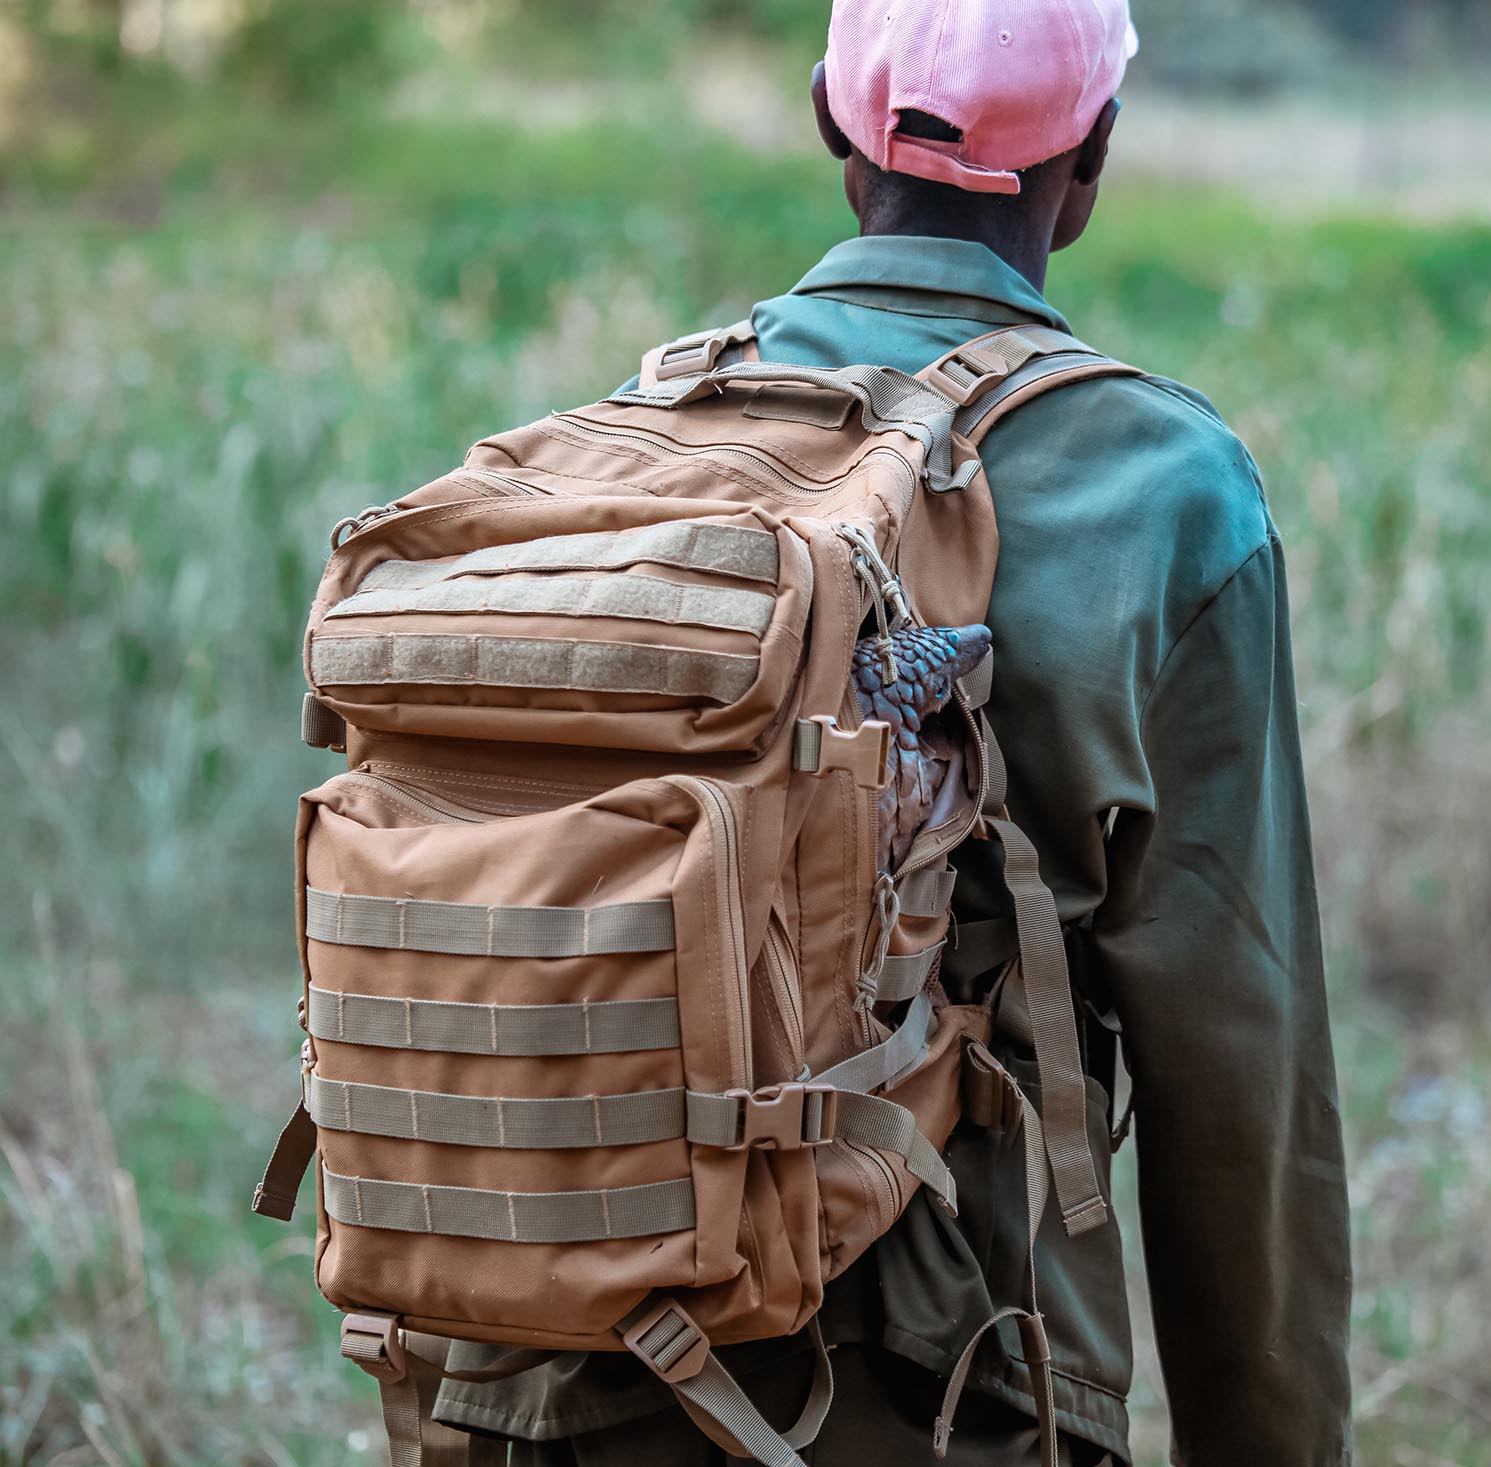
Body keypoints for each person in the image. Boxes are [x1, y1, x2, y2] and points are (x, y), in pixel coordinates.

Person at [432, 1, 1352, 1461]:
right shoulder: (1167, 491)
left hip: (527, 1379)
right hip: (933, 1398)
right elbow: (1240, 1078)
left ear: (828, 123)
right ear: (1093, 153)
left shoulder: (615, 449)